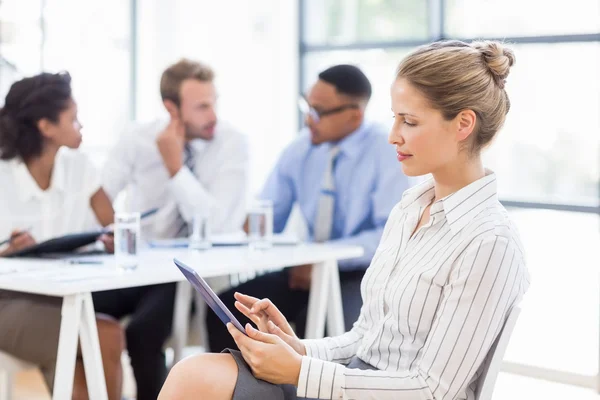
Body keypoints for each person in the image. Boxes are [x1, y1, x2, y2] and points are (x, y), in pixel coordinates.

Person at [158, 40, 531, 400]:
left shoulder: (489, 242)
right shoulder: (411, 208)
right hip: (353, 379)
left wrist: (300, 371)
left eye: (410, 121)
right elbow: (366, 338)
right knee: (193, 373)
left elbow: (432, 391)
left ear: (463, 124)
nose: (393, 135)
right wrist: (298, 349)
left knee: (196, 380)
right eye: (394, 118)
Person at [207, 64, 411, 353]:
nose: (307, 120)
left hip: (362, 272)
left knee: (332, 330)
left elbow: (389, 237)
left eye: (318, 111)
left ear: (354, 115)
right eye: (306, 106)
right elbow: (268, 216)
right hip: (305, 269)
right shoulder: (301, 148)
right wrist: (248, 226)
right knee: (228, 311)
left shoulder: (386, 150)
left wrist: (323, 260)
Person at [97, 58, 249, 400]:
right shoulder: (137, 138)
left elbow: (218, 224)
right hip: (135, 266)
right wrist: (109, 230)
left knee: (143, 332)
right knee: (80, 309)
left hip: (188, 273)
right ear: (172, 107)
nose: (212, 115)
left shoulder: (232, 144)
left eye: (214, 102)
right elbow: (100, 194)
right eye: (202, 106)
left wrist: (175, 168)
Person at [0, 72, 123, 400]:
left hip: (63, 298)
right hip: (6, 302)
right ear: (46, 126)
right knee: (105, 335)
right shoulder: (3, 175)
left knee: (85, 348)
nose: (81, 126)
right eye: (73, 118)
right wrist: (5, 252)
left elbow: (115, 225)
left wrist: (111, 240)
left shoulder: (79, 167)